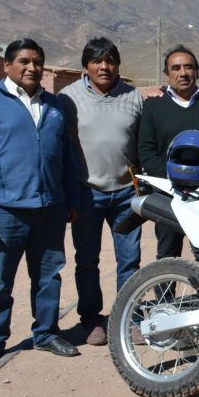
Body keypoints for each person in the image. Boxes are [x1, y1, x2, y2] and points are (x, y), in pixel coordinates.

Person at [0, 38, 81, 368]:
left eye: (37, 61)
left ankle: (46, 333)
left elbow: (67, 158)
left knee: (49, 276)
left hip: (50, 208)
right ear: (7, 65)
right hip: (3, 211)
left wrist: (70, 198)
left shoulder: (53, 106)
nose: (32, 67)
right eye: (24, 61)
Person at [58, 37, 144, 346]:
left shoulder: (134, 96)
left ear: (117, 65)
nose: (104, 67)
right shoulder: (68, 98)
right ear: (86, 67)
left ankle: (128, 319)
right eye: (97, 61)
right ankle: (91, 320)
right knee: (87, 260)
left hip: (126, 193)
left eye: (110, 61)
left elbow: (143, 142)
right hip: (87, 193)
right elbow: (61, 147)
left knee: (130, 260)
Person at [138, 45, 199, 259]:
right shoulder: (154, 106)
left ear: (197, 71)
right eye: (176, 68)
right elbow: (146, 149)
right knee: (168, 254)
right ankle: (169, 283)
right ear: (167, 74)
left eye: (188, 67)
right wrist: (172, 179)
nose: (183, 73)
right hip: (168, 194)